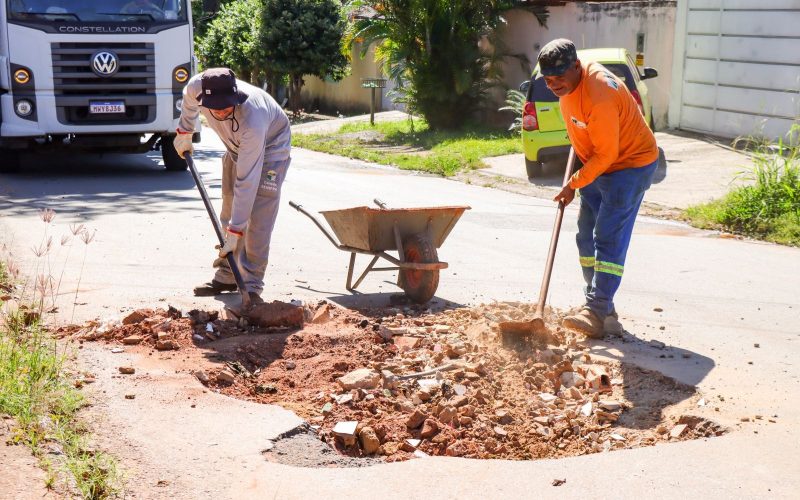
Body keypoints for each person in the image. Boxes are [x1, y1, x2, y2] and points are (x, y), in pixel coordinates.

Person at [541, 39, 659, 338]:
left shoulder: (600, 92)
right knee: (585, 237)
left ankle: (595, 309)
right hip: (598, 162)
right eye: (548, 80)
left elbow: (608, 154)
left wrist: (573, 184)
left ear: (576, 67)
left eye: (559, 79)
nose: (554, 86)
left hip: (629, 166)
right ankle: (601, 308)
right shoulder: (568, 86)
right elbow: (585, 131)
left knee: (607, 236)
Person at [174, 67, 291, 306]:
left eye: (227, 106)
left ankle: (251, 286)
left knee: (257, 218)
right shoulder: (197, 87)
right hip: (235, 148)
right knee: (229, 209)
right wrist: (185, 130)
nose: (221, 111)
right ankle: (228, 275)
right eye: (214, 107)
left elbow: (246, 181)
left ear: (235, 96)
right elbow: (187, 100)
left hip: (271, 149)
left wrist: (237, 231)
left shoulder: (253, 118)